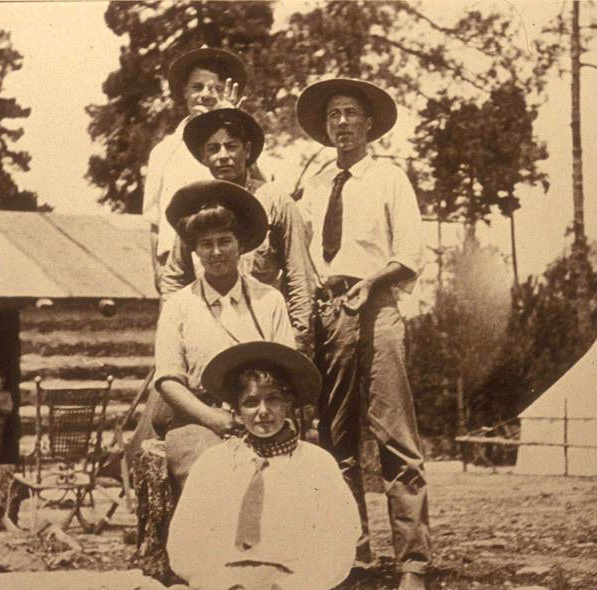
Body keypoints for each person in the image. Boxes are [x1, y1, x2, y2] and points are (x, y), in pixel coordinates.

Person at [295, 78, 430, 590]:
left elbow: (410, 253)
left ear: (369, 123)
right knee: (335, 442)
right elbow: (303, 254)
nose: (343, 123)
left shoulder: (389, 178)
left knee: (395, 439)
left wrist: (370, 285)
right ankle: (352, 555)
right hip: (330, 312)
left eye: (351, 113)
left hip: (378, 308)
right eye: (334, 116)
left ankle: (412, 563)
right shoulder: (315, 183)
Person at [168, 341, 359, 590]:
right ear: (236, 409)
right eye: (251, 402)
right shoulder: (213, 463)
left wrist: (295, 585)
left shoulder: (317, 464)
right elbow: (185, 538)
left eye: (273, 399)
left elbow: (339, 540)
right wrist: (219, 583)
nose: (263, 411)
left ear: (288, 403)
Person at [151, 179, 295, 489]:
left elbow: (288, 372)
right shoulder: (179, 305)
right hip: (197, 422)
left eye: (225, 241)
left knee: (291, 481)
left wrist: (261, 415)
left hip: (263, 416)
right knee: (216, 475)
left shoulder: (269, 300)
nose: (216, 252)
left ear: (240, 245)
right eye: (206, 244)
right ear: (195, 251)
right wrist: (213, 419)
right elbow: (167, 381)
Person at [173, 108, 315, 356]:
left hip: (263, 326)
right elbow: (174, 275)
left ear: (247, 151)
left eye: (231, 146)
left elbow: (299, 277)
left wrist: (298, 344)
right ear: (203, 156)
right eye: (213, 149)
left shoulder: (276, 201)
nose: (223, 156)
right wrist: (176, 329)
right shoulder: (195, 203)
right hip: (206, 327)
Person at [143, 46, 248, 296]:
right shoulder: (164, 151)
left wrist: (229, 119)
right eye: (197, 87)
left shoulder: (241, 145)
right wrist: (159, 271)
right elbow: (154, 224)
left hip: (227, 263)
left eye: (216, 89)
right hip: (177, 269)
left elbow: (256, 191)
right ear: (184, 93)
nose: (206, 95)